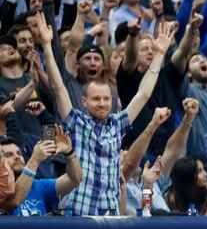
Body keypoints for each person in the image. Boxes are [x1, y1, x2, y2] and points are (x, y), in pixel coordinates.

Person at [37, 13, 176, 215]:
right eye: (96, 99)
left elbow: (144, 94)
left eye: (106, 99)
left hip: (110, 216)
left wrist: (159, 54)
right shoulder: (77, 122)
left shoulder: (118, 123)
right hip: (78, 213)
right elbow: (58, 87)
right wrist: (48, 46)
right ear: (84, 102)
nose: (102, 103)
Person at [0, 129, 82, 215]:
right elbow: (14, 200)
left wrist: (69, 152)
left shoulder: (39, 186)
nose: (17, 157)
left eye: (19, 153)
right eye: (8, 155)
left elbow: (74, 179)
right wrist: (35, 159)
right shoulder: (2, 190)